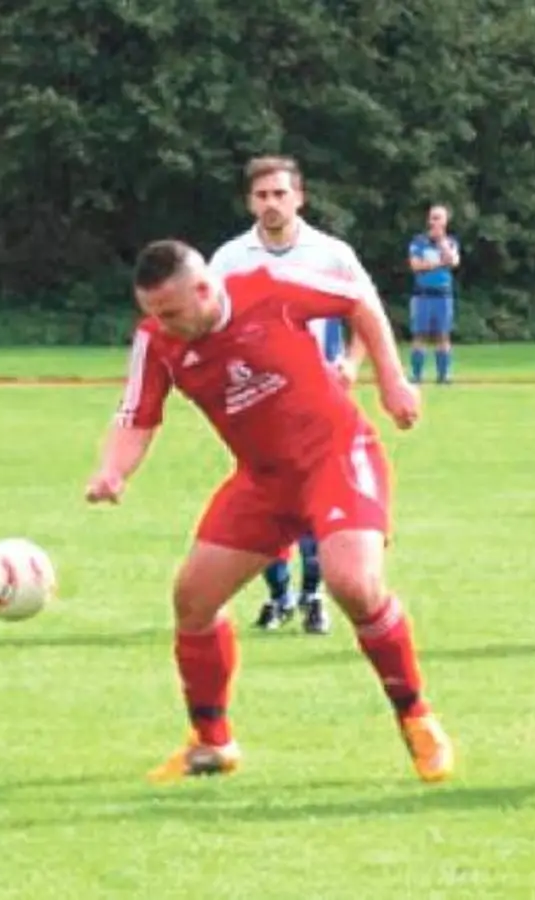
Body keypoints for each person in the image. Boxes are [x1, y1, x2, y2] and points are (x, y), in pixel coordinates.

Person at [84, 239, 454, 785]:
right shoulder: (155, 339)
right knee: (193, 599)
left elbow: (358, 302)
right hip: (263, 481)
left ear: (205, 289)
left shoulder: (270, 289)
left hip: (334, 458)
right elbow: (137, 415)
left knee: (352, 583)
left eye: (173, 312)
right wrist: (114, 470)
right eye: (154, 314)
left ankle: (417, 718)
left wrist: (393, 379)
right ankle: (212, 743)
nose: (164, 324)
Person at [211, 155, 374, 635]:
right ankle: (278, 596)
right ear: (249, 202)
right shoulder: (230, 258)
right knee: (266, 499)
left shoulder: (331, 253)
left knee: (316, 502)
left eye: (280, 194)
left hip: (319, 403)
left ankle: (313, 595)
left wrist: (350, 363)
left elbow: (366, 311)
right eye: (262, 196)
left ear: (299, 197)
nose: (271, 204)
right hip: (258, 406)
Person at [407, 204, 461, 385]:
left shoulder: (451, 242)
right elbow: (415, 266)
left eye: (439, 218)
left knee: (443, 335)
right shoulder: (418, 242)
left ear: (446, 221)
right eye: (432, 217)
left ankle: (443, 375)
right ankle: (416, 375)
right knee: (419, 334)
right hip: (422, 295)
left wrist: (442, 244)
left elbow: (453, 261)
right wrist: (439, 263)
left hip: (443, 295)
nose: (435, 221)